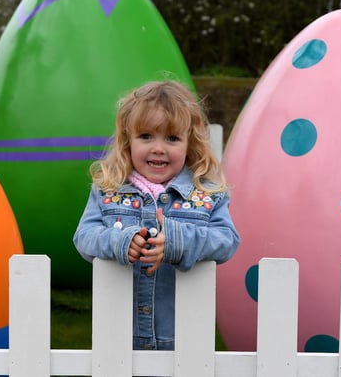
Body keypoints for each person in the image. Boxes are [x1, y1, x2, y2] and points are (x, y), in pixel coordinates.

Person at [73, 80, 240, 351]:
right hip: (119, 340)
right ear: (128, 141)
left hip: (183, 341)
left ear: (190, 143)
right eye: (146, 136)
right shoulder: (109, 191)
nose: (158, 148)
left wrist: (178, 241)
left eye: (172, 138)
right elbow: (84, 237)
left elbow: (227, 240)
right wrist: (120, 242)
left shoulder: (206, 195)